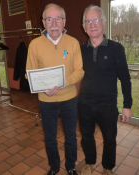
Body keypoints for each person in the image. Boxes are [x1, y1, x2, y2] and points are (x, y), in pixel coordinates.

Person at [26, 3, 84, 175]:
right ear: (43, 22)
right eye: (49, 19)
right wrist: (42, 88)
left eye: (58, 18)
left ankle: (71, 166)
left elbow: (79, 70)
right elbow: (29, 73)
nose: (53, 23)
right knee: (50, 138)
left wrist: (64, 83)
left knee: (71, 136)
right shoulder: (34, 45)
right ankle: (54, 167)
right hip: (46, 100)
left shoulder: (73, 43)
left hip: (69, 99)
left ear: (64, 21)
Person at [78, 5, 133, 175]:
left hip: (108, 106)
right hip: (85, 104)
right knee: (87, 137)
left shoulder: (116, 49)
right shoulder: (80, 50)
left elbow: (125, 78)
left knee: (110, 139)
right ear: (84, 27)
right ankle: (89, 163)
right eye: (88, 21)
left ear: (103, 23)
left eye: (96, 20)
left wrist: (127, 105)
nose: (92, 24)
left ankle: (108, 167)